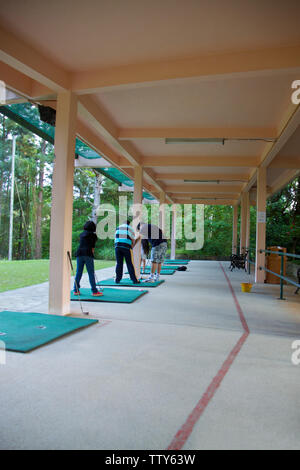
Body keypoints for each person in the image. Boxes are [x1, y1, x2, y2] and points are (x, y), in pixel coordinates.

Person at [73, 220, 103, 296]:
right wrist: (92, 256)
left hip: (79, 253)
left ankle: (76, 290)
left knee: (78, 272)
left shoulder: (81, 234)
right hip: (88, 254)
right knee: (91, 273)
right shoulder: (93, 236)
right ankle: (94, 291)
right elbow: (92, 248)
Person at [115, 219, 141, 284]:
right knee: (129, 263)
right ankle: (134, 280)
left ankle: (117, 279)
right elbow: (133, 239)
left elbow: (116, 238)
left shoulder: (118, 227)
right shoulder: (130, 228)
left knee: (119, 263)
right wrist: (132, 245)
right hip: (126, 247)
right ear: (129, 224)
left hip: (117, 246)